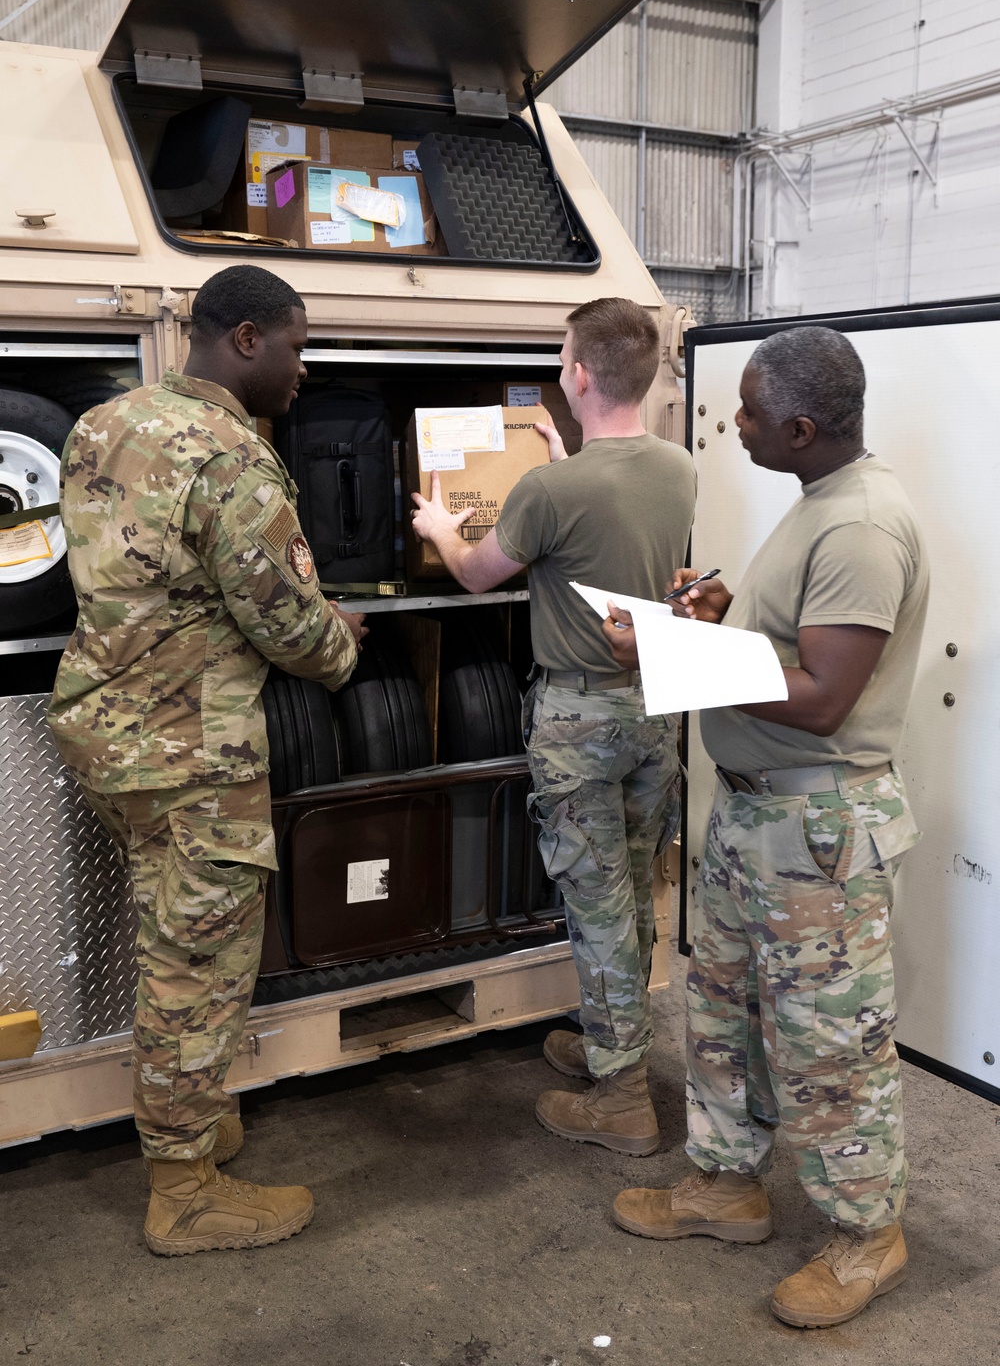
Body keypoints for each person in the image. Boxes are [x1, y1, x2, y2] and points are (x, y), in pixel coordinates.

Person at [605, 326, 928, 1329]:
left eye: (746, 413)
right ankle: (724, 1185)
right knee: (723, 1019)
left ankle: (867, 1235)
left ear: (798, 424)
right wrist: (715, 619)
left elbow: (825, 696)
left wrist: (672, 657)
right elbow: (787, 646)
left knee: (830, 1048)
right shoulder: (815, 507)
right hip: (756, 817)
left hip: (817, 831)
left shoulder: (862, 526)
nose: (731, 424)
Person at [48, 265, 365, 1256]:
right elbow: (279, 614)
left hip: (107, 730)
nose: (301, 370)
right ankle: (184, 1187)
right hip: (191, 750)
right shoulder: (234, 456)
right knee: (196, 964)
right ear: (243, 341)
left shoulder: (103, 424)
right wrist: (341, 642)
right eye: (295, 347)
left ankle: (195, 1116)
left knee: (170, 939)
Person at [410, 297, 696, 1156]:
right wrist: (568, 460)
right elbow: (609, 523)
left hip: (578, 719)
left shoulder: (547, 490)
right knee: (637, 890)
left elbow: (474, 571)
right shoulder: (677, 467)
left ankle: (622, 1098)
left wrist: (436, 528)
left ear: (577, 374)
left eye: (564, 356)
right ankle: (622, 1044)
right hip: (654, 710)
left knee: (597, 903)